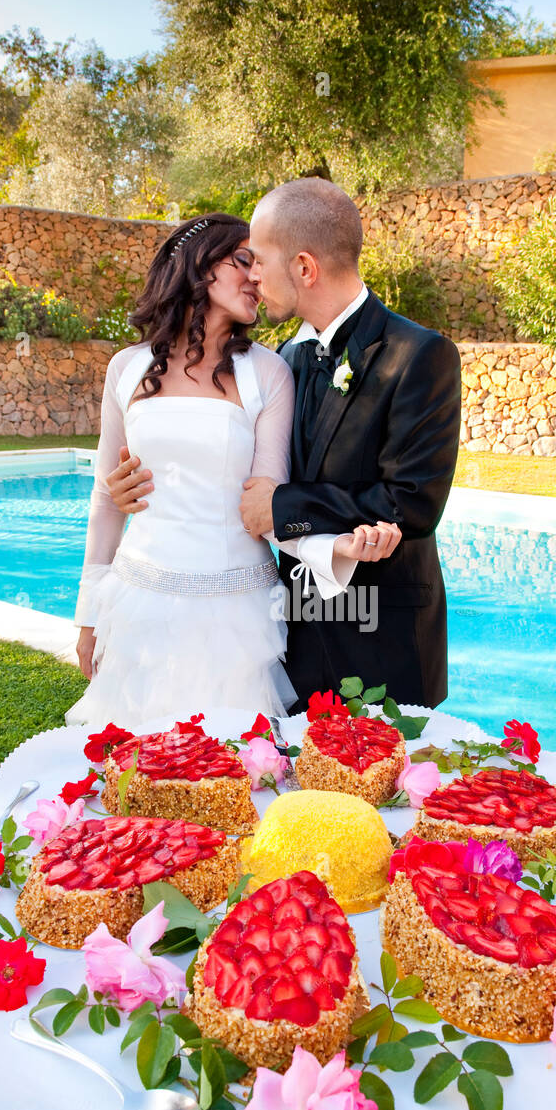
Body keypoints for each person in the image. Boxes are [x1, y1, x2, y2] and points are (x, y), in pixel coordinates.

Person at [108, 180, 462, 711]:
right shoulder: (280, 362)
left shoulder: (418, 355)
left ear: (303, 268)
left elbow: (411, 501)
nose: (252, 275)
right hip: (291, 637)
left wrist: (279, 507)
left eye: (260, 260)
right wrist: (138, 486)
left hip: (382, 638)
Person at [67, 212, 401, 725]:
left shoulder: (268, 372)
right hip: (139, 601)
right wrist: (90, 614)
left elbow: (269, 505)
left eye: (260, 264)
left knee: (236, 772)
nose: (257, 277)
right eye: (243, 261)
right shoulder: (126, 367)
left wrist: (332, 547)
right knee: (137, 770)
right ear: (199, 266)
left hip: (235, 611)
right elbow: (107, 500)